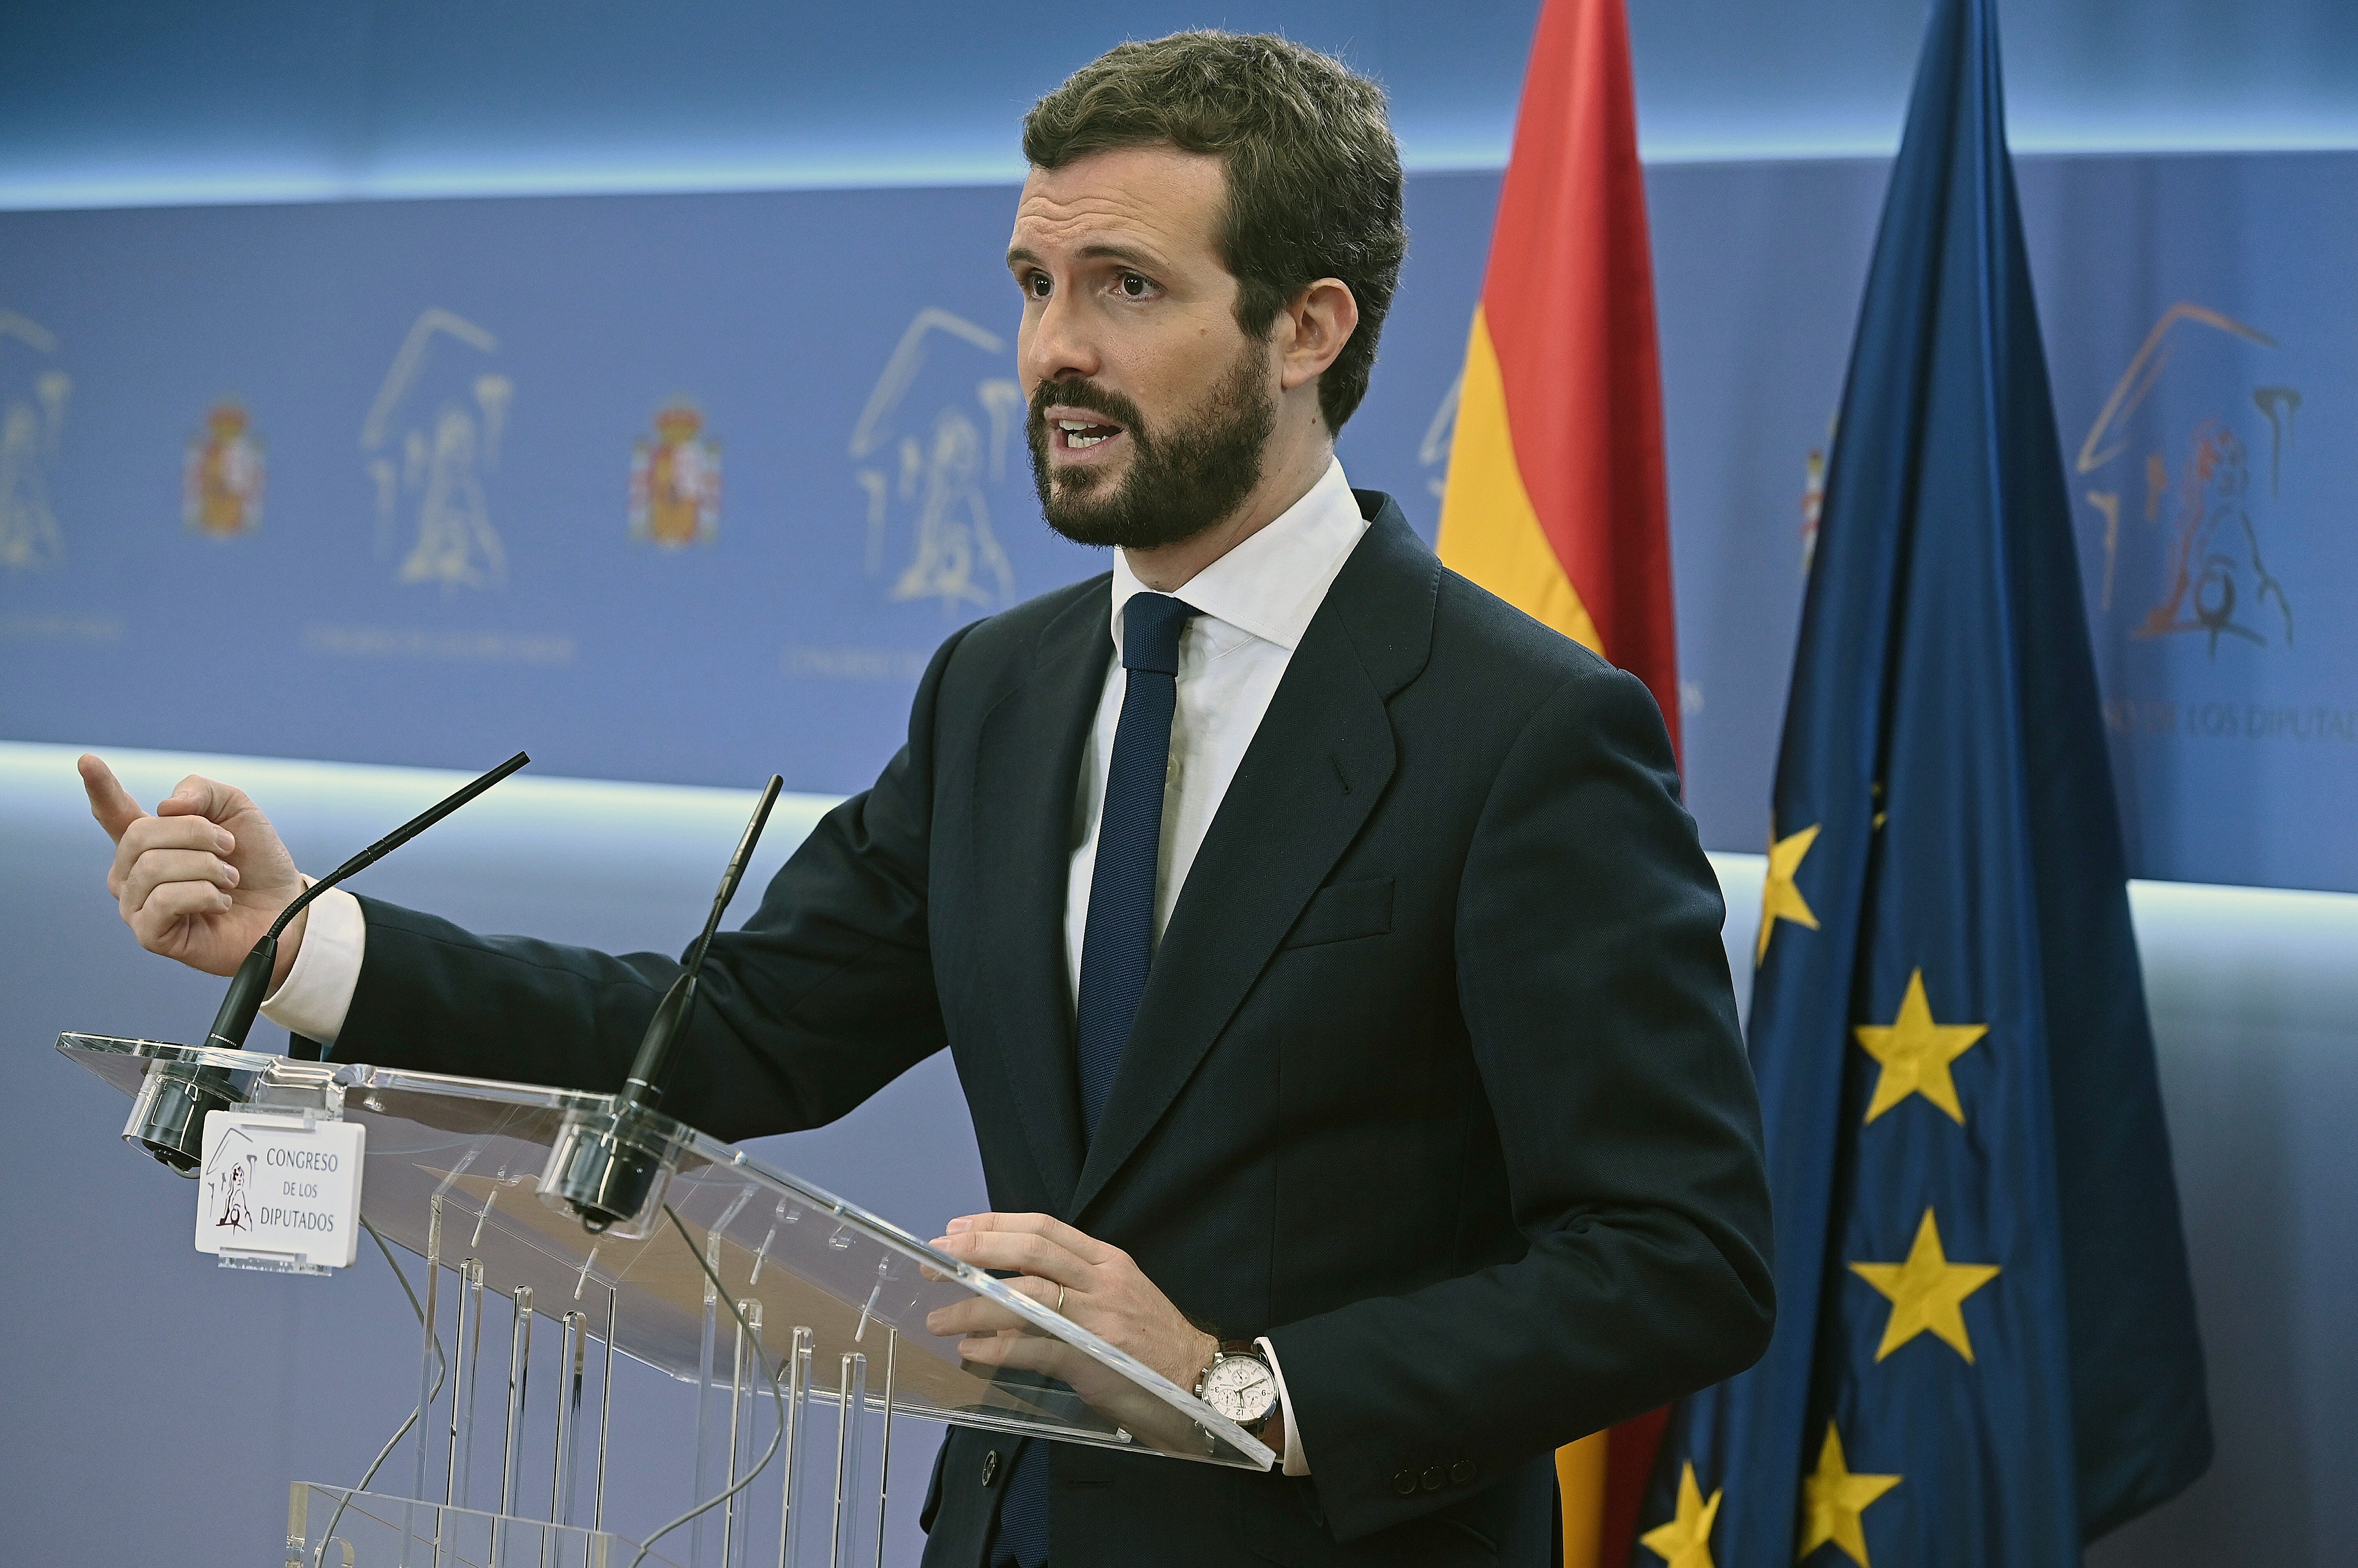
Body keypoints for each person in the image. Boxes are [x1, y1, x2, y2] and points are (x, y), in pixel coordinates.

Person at [82, 32, 1772, 1568]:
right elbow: (731, 1036)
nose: (1052, 350)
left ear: (1306, 328)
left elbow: (1676, 1254)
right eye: (1033, 284)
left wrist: (1238, 1387)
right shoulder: (1000, 692)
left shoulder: (1525, 729)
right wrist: (308, 948)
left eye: (1124, 288)